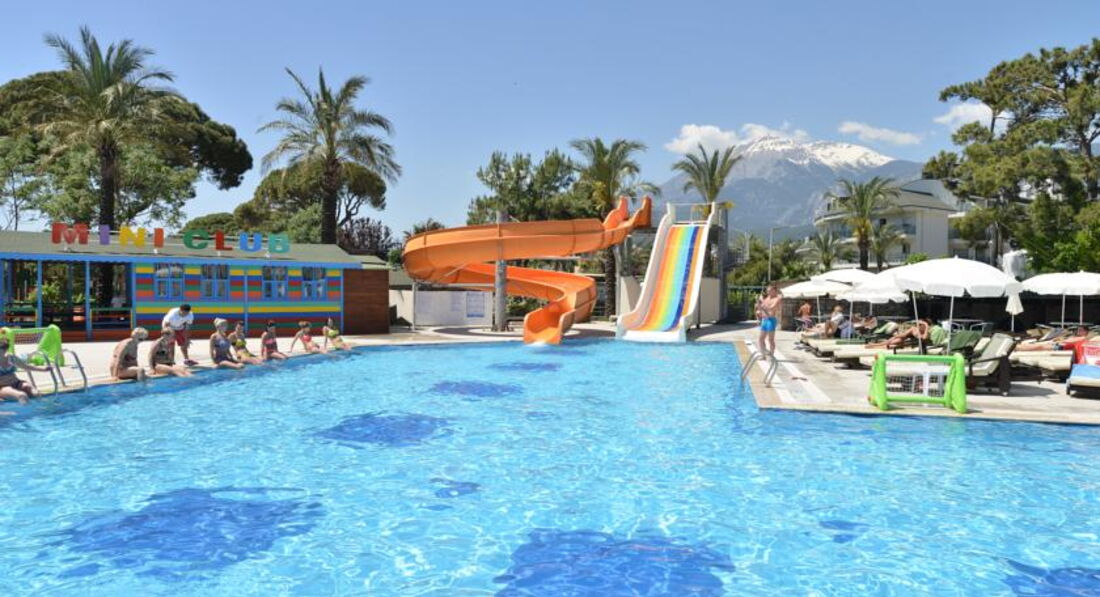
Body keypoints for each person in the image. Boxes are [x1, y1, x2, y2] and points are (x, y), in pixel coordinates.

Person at [0, 337, 51, 404]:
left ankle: (42, 408)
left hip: (17, 383)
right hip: (3, 387)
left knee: (35, 393)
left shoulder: (11, 358)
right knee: (22, 395)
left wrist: (43, 369)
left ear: (5, 350)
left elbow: (26, 367)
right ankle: (26, 409)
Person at [866, 319, 936, 349]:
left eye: (920, 324)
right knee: (896, 340)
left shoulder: (923, 330)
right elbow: (905, 335)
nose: (918, 325)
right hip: (905, 339)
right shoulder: (916, 329)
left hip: (906, 339)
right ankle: (874, 345)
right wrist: (896, 335)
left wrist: (926, 325)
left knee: (897, 340)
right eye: (918, 324)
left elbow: (923, 338)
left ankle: (874, 345)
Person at [755, 285, 782, 357]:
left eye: (769, 290)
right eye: (767, 291)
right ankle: (763, 354)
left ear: (774, 291)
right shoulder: (767, 298)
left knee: (770, 340)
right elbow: (760, 308)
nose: (768, 292)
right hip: (764, 320)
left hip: (771, 320)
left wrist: (762, 301)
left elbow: (771, 308)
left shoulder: (777, 299)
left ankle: (772, 355)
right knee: (761, 339)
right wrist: (758, 301)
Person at [1017, 326, 1090, 352]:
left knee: (1041, 346)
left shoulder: (1083, 338)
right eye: (1078, 330)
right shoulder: (1076, 337)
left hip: (1060, 347)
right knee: (1040, 344)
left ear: (1085, 332)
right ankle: (1019, 347)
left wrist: (1060, 340)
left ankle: (1019, 348)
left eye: (1080, 330)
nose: (1078, 331)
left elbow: (1068, 342)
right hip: (1058, 344)